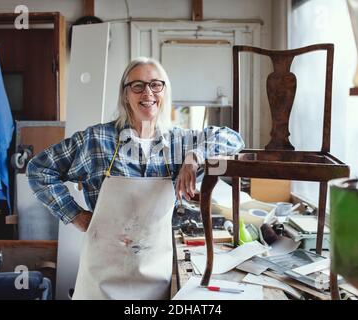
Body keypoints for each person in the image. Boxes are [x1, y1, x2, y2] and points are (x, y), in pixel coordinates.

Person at [26, 57, 245, 300]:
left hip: (154, 273)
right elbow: (38, 169)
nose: (147, 92)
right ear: (125, 94)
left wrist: (194, 156)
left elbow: (234, 140)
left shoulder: (180, 143)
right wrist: (74, 215)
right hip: (101, 276)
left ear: (164, 91)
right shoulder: (96, 140)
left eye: (155, 85)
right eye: (137, 85)